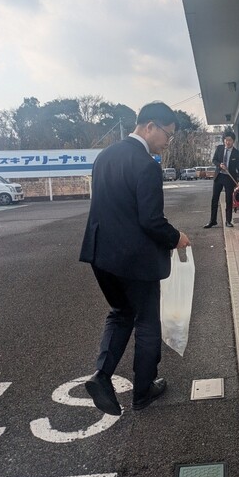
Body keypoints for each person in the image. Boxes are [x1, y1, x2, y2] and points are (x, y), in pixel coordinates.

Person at [80, 102, 190, 415]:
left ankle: (102, 376)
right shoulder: (146, 165)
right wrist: (176, 238)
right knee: (147, 322)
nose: (167, 142)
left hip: (100, 254)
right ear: (150, 126)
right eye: (167, 135)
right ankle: (143, 390)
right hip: (134, 260)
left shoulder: (105, 156)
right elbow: (151, 220)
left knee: (120, 312)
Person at [204, 129, 239, 228]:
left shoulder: (236, 153)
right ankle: (212, 220)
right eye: (226, 140)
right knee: (214, 199)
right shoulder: (219, 148)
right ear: (223, 140)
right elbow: (214, 160)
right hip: (219, 176)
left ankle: (228, 221)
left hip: (229, 178)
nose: (227, 142)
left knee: (229, 200)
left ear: (233, 141)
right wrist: (220, 165)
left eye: (229, 140)